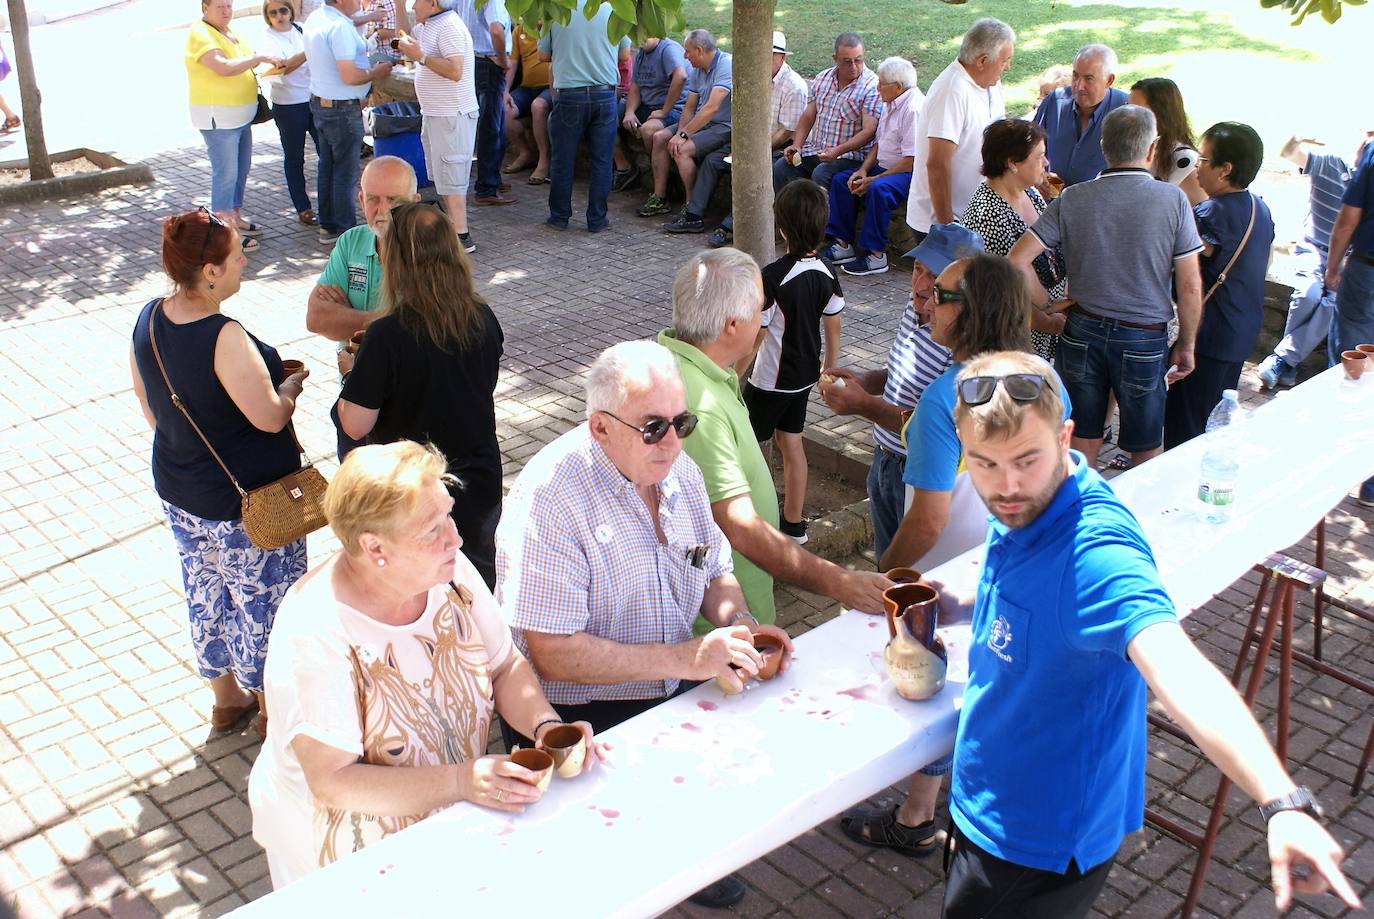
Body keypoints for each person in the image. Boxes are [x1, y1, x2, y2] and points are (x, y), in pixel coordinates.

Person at [932, 348, 1361, 919]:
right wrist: (963, 605)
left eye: (1025, 460)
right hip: (987, 802)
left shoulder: (1096, 554)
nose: (1006, 486)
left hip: (1036, 841)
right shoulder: (1027, 504)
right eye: (984, 464)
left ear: (1065, 438)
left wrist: (1282, 802)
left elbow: (1175, 666)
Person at [496, 340, 793, 910]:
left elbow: (714, 570)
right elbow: (554, 654)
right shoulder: (550, 499)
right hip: (574, 716)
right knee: (597, 871)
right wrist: (689, 659)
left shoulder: (678, 469)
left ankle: (683, 866)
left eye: (682, 421)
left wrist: (741, 629)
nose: (676, 441)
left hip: (663, 687)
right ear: (600, 428)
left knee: (670, 813)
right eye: (654, 426)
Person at [248, 441, 602, 888]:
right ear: (373, 546)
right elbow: (333, 781)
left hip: (442, 822)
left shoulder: (447, 571)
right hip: (346, 861)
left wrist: (545, 727)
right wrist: (461, 780)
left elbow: (504, 665)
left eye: (448, 515)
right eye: (432, 529)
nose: (454, 537)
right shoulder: (315, 633)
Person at [839, 253, 1051, 862]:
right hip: (1016, 564)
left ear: (973, 310)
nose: (929, 295)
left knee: (937, 691)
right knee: (996, 686)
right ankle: (956, 806)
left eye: (946, 291)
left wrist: (883, 580)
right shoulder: (1041, 378)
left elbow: (927, 520)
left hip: (950, 584)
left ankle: (915, 816)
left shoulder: (945, 399)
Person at [129, 209, 309, 738]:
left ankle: (226, 700)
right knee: (265, 599)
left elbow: (150, 408)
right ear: (209, 271)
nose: (244, 261)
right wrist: (291, 390)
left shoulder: (148, 317)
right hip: (247, 502)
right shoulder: (222, 333)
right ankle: (272, 708)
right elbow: (269, 416)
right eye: (236, 256)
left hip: (180, 487)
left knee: (206, 590)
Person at [658, 250, 892, 628]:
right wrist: (840, 581)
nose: (764, 318)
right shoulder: (697, 405)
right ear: (732, 325)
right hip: (719, 630)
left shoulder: (693, 369)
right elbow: (740, 528)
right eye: (762, 309)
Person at [1009, 104, 1203, 470]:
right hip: (1144, 338)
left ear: (1103, 145)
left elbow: (1016, 260)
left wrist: (1043, 305)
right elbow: (1190, 287)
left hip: (1081, 330)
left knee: (1079, 443)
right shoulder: (1173, 200)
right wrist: (1188, 344)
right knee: (1146, 447)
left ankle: (1076, 516)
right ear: (1152, 148)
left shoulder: (1073, 197)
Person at [335, 203, 504, 588]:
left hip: (413, 492)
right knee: (474, 588)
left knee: (420, 593)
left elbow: (356, 423)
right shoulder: (483, 318)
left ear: (395, 261)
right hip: (478, 481)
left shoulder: (386, 335)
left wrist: (352, 375)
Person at [819, 224, 979, 559]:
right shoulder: (916, 308)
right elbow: (902, 371)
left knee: (908, 568)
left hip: (921, 471)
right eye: (918, 269)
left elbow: (933, 424)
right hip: (884, 459)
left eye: (934, 278)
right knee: (886, 550)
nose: (921, 286)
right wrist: (866, 381)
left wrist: (865, 407)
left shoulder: (963, 343)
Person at [743, 181, 844, 543]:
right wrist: (829, 370)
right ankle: (794, 525)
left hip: (769, 380)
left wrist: (734, 372)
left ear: (782, 227)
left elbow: (758, 334)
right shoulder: (828, 273)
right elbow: (833, 326)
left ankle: (756, 525)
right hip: (803, 377)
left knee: (749, 451)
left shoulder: (772, 276)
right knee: (792, 444)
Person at [1164, 123, 1275, 448]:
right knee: (1213, 423)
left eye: (1204, 159)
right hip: (1239, 333)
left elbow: (1183, 271)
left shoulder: (1210, 213)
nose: (1196, 166)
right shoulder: (1260, 207)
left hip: (1206, 337)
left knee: (1185, 431)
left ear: (1226, 169)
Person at [674, 30, 807, 245]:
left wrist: (754, 149)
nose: (763, 60)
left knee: (756, 171)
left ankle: (728, 227)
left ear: (781, 58)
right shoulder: (753, 79)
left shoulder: (794, 86)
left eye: (770, 55)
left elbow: (786, 132)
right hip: (750, 141)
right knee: (712, 161)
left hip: (777, 146)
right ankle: (693, 216)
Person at [1256, 134, 1361, 389]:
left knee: (1332, 304)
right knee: (1308, 295)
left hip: (1347, 259)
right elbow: (1288, 153)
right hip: (1313, 248)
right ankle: (1288, 363)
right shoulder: (1330, 164)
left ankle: (1282, 360)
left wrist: (1340, 266)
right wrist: (1297, 138)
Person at [962, 119, 1067, 360]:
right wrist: (1050, 322)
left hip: (1047, 327)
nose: (1046, 162)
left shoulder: (1029, 192)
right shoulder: (987, 216)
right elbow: (1003, 295)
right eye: (1039, 156)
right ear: (1012, 163)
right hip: (1015, 341)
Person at [187, 0, 283, 252]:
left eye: (229, 5)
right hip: (219, 118)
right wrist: (258, 58)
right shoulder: (200, 33)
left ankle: (234, 217)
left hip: (241, 116)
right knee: (225, 174)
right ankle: (224, 233)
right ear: (205, 7)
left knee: (241, 169)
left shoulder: (229, 31)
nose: (226, 11)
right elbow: (222, 67)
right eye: (220, 6)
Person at [905, 18, 1013, 241]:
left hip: (973, 217)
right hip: (941, 223)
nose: (1008, 66)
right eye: (1005, 60)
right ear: (983, 60)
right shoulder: (952, 90)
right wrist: (947, 227)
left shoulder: (990, 83)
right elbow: (937, 164)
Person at [819, 55, 922, 277]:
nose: (877, 89)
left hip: (907, 172)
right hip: (886, 167)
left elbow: (911, 160)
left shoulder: (912, 108)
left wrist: (874, 180)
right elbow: (879, 143)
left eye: (881, 84)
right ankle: (842, 244)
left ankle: (876, 255)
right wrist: (863, 170)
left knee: (878, 190)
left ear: (897, 86)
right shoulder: (891, 102)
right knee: (841, 181)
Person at [303, 0, 393, 244]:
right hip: (341, 108)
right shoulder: (340, 27)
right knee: (345, 172)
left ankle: (329, 226)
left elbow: (350, 25)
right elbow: (350, 74)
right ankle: (346, 234)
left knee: (328, 167)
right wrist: (376, 72)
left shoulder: (317, 18)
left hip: (322, 103)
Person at [539, 0, 631, 232]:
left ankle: (559, 217)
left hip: (570, 95)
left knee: (562, 159)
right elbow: (625, 53)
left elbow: (542, 56)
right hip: (604, 94)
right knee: (602, 161)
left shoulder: (556, 10)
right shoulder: (615, 10)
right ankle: (597, 219)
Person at [396, 0, 480, 254]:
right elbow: (405, 41)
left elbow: (455, 70)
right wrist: (399, 6)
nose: (413, 5)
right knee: (441, 176)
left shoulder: (450, 26)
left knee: (452, 176)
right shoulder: (427, 24)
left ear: (432, 2)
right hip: (434, 113)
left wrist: (421, 56)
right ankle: (453, 230)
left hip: (451, 114)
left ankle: (462, 236)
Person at [637, 30, 731, 220]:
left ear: (700, 50)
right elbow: (689, 108)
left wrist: (683, 136)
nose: (685, 56)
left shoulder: (726, 65)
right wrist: (679, 132)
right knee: (660, 137)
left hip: (723, 126)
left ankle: (690, 207)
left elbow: (711, 108)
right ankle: (659, 197)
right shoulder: (697, 69)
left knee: (682, 150)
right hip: (702, 123)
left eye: (688, 51)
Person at [774, 33, 882, 199]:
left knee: (821, 174)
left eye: (858, 60)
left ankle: (820, 223)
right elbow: (809, 115)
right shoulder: (823, 78)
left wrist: (837, 151)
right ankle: (782, 220)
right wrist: (797, 145)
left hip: (850, 157)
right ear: (835, 58)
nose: (853, 66)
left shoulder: (871, 86)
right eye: (847, 61)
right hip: (817, 151)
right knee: (781, 168)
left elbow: (869, 131)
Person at [1326, 143, 1374, 505]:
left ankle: (1340, 458)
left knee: (1352, 364)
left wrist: (1332, 266)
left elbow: (1348, 217)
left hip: (1367, 274)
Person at [1032, 44, 1127, 188]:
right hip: (1053, 204)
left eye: (1089, 78)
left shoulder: (1126, 111)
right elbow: (1029, 148)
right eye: (1075, 75)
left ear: (1109, 80)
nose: (1079, 85)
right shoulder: (1055, 102)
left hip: (1100, 206)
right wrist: (1040, 174)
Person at [259, 0, 320, 227]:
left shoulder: (301, 29)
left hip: (312, 98)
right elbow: (283, 67)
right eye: (273, 13)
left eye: (283, 10)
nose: (279, 16)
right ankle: (303, 208)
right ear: (267, 16)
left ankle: (327, 204)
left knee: (327, 152)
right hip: (287, 105)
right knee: (295, 157)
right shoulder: (267, 38)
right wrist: (308, 52)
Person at [453, 0, 511, 206]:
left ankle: (492, 178)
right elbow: (496, 31)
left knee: (493, 124)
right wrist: (504, 60)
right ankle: (486, 187)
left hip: (469, 61)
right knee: (491, 127)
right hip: (488, 62)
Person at [616, 34, 689, 192]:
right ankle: (625, 169)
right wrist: (629, 112)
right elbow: (635, 87)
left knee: (648, 131)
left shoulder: (668, 49)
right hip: (648, 106)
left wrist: (664, 111)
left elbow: (681, 76)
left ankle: (665, 179)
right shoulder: (642, 53)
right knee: (609, 116)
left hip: (675, 108)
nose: (638, 40)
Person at [1128, 77, 1205, 206]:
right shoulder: (1133, 151)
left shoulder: (1186, 162)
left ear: (1162, 114)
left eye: (1138, 111)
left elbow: (1199, 217)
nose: (1127, 117)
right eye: (1127, 108)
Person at [502, 22, 554, 185]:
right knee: (504, 109)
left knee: (538, 106)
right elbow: (513, 63)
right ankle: (525, 153)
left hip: (550, 86)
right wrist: (505, 91)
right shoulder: (519, 30)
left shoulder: (554, 25)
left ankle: (543, 161)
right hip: (526, 88)